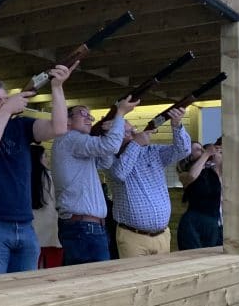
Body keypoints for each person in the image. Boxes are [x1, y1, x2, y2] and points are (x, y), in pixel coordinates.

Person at [0, 65, 71, 277]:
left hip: (25, 224)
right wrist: (7, 110)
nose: (3, 104)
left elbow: (58, 128)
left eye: (5, 99)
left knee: (25, 291)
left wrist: (57, 87)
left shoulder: (21, 126)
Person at [51, 97, 139, 265]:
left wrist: (104, 132)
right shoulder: (71, 138)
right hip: (84, 227)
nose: (89, 118)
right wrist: (119, 114)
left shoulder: (75, 143)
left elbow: (105, 162)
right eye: (82, 113)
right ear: (67, 121)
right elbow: (111, 146)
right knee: (96, 277)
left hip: (84, 226)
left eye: (90, 116)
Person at [106, 108, 190, 258]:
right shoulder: (109, 157)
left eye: (133, 130)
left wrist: (176, 125)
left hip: (162, 234)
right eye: (127, 132)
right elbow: (119, 173)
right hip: (132, 236)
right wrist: (136, 144)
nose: (134, 134)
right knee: (135, 273)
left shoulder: (152, 151)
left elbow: (183, 150)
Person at [176, 142, 223, 250]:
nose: (202, 150)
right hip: (193, 222)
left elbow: (231, 165)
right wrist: (207, 153)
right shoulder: (184, 174)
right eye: (197, 149)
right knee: (192, 256)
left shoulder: (213, 171)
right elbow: (192, 176)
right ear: (189, 155)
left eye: (202, 148)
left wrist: (218, 152)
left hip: (212, 222)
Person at [30, 145, 63, 268]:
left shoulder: (24, 178)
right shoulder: (53, 178)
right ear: (38, 158)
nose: (47, 159)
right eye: (45, 156)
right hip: (52, 232)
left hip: (31, 233)